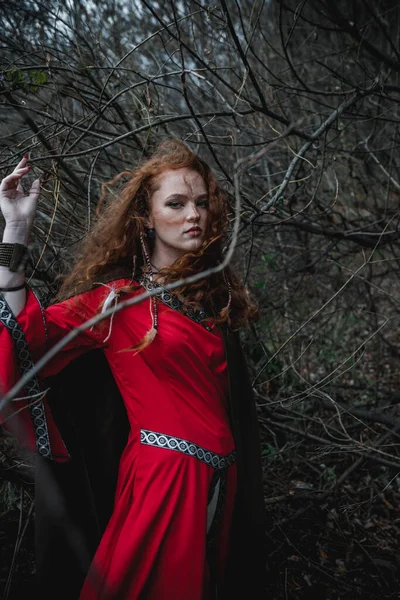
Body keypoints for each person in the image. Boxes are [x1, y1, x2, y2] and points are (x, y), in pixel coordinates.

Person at [0, 140, 266, 600]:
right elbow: (27, 335)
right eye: (177, 203)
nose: (194, 215)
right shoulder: (118, 301)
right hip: (163, 481)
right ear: (146, 216)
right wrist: (16, 233)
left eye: (202, 203)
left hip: (222, 482)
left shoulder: (211, 301)